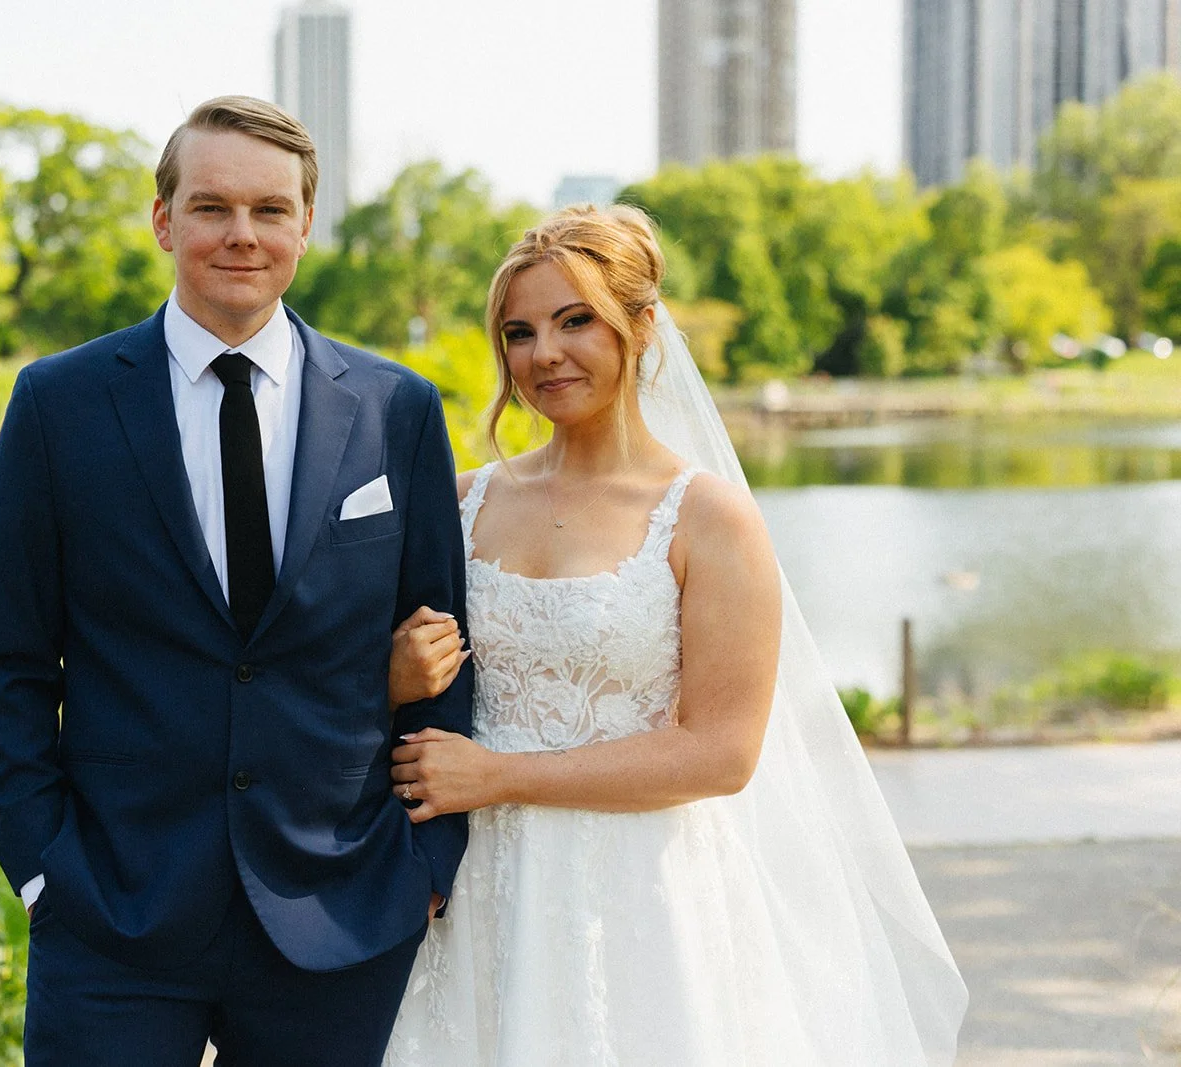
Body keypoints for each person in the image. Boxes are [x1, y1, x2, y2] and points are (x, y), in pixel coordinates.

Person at [381, 204, 967, 1066]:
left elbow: (721, 754)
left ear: (643, 326)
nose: (545, 354)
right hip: (478, 890)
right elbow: (394, 686)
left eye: (575, 321)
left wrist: (499, 775)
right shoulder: (461, 500)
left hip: (639, 889)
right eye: (520, 332)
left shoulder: (709, 517)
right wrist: (393, 678)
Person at [0, 95, 473, 1066]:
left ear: (306, 225)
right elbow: (10, 667)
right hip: (113, 914)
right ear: (164, 220)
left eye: (270, 209)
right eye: (212, 207)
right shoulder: (57, 404)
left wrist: (424, 866)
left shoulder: (394, 408)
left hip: (339, 910)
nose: (243, 233)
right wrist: (42, 872)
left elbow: (448, 652)